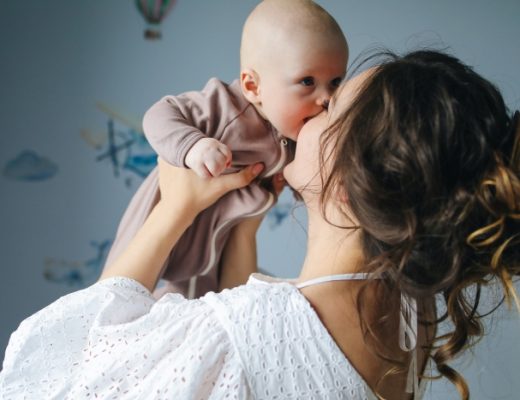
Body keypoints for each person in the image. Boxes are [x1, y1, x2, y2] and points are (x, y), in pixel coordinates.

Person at [1, 49, 519, 399]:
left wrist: (173, 209)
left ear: (346, 182)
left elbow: (68, 366)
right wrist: (243, 232)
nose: (308, 112)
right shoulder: (411, 309)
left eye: (330, 107)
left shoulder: (238, 333)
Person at [103, 0, 349, 299]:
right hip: (165, 214)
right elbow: (160, 113)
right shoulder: (225, 107)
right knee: (118, 295)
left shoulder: (297, 132)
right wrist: (193, 145)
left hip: (217, 237)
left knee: (201, 304)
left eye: (335, 82)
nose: (326, 98)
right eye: (307, 81)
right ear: (252, 86)